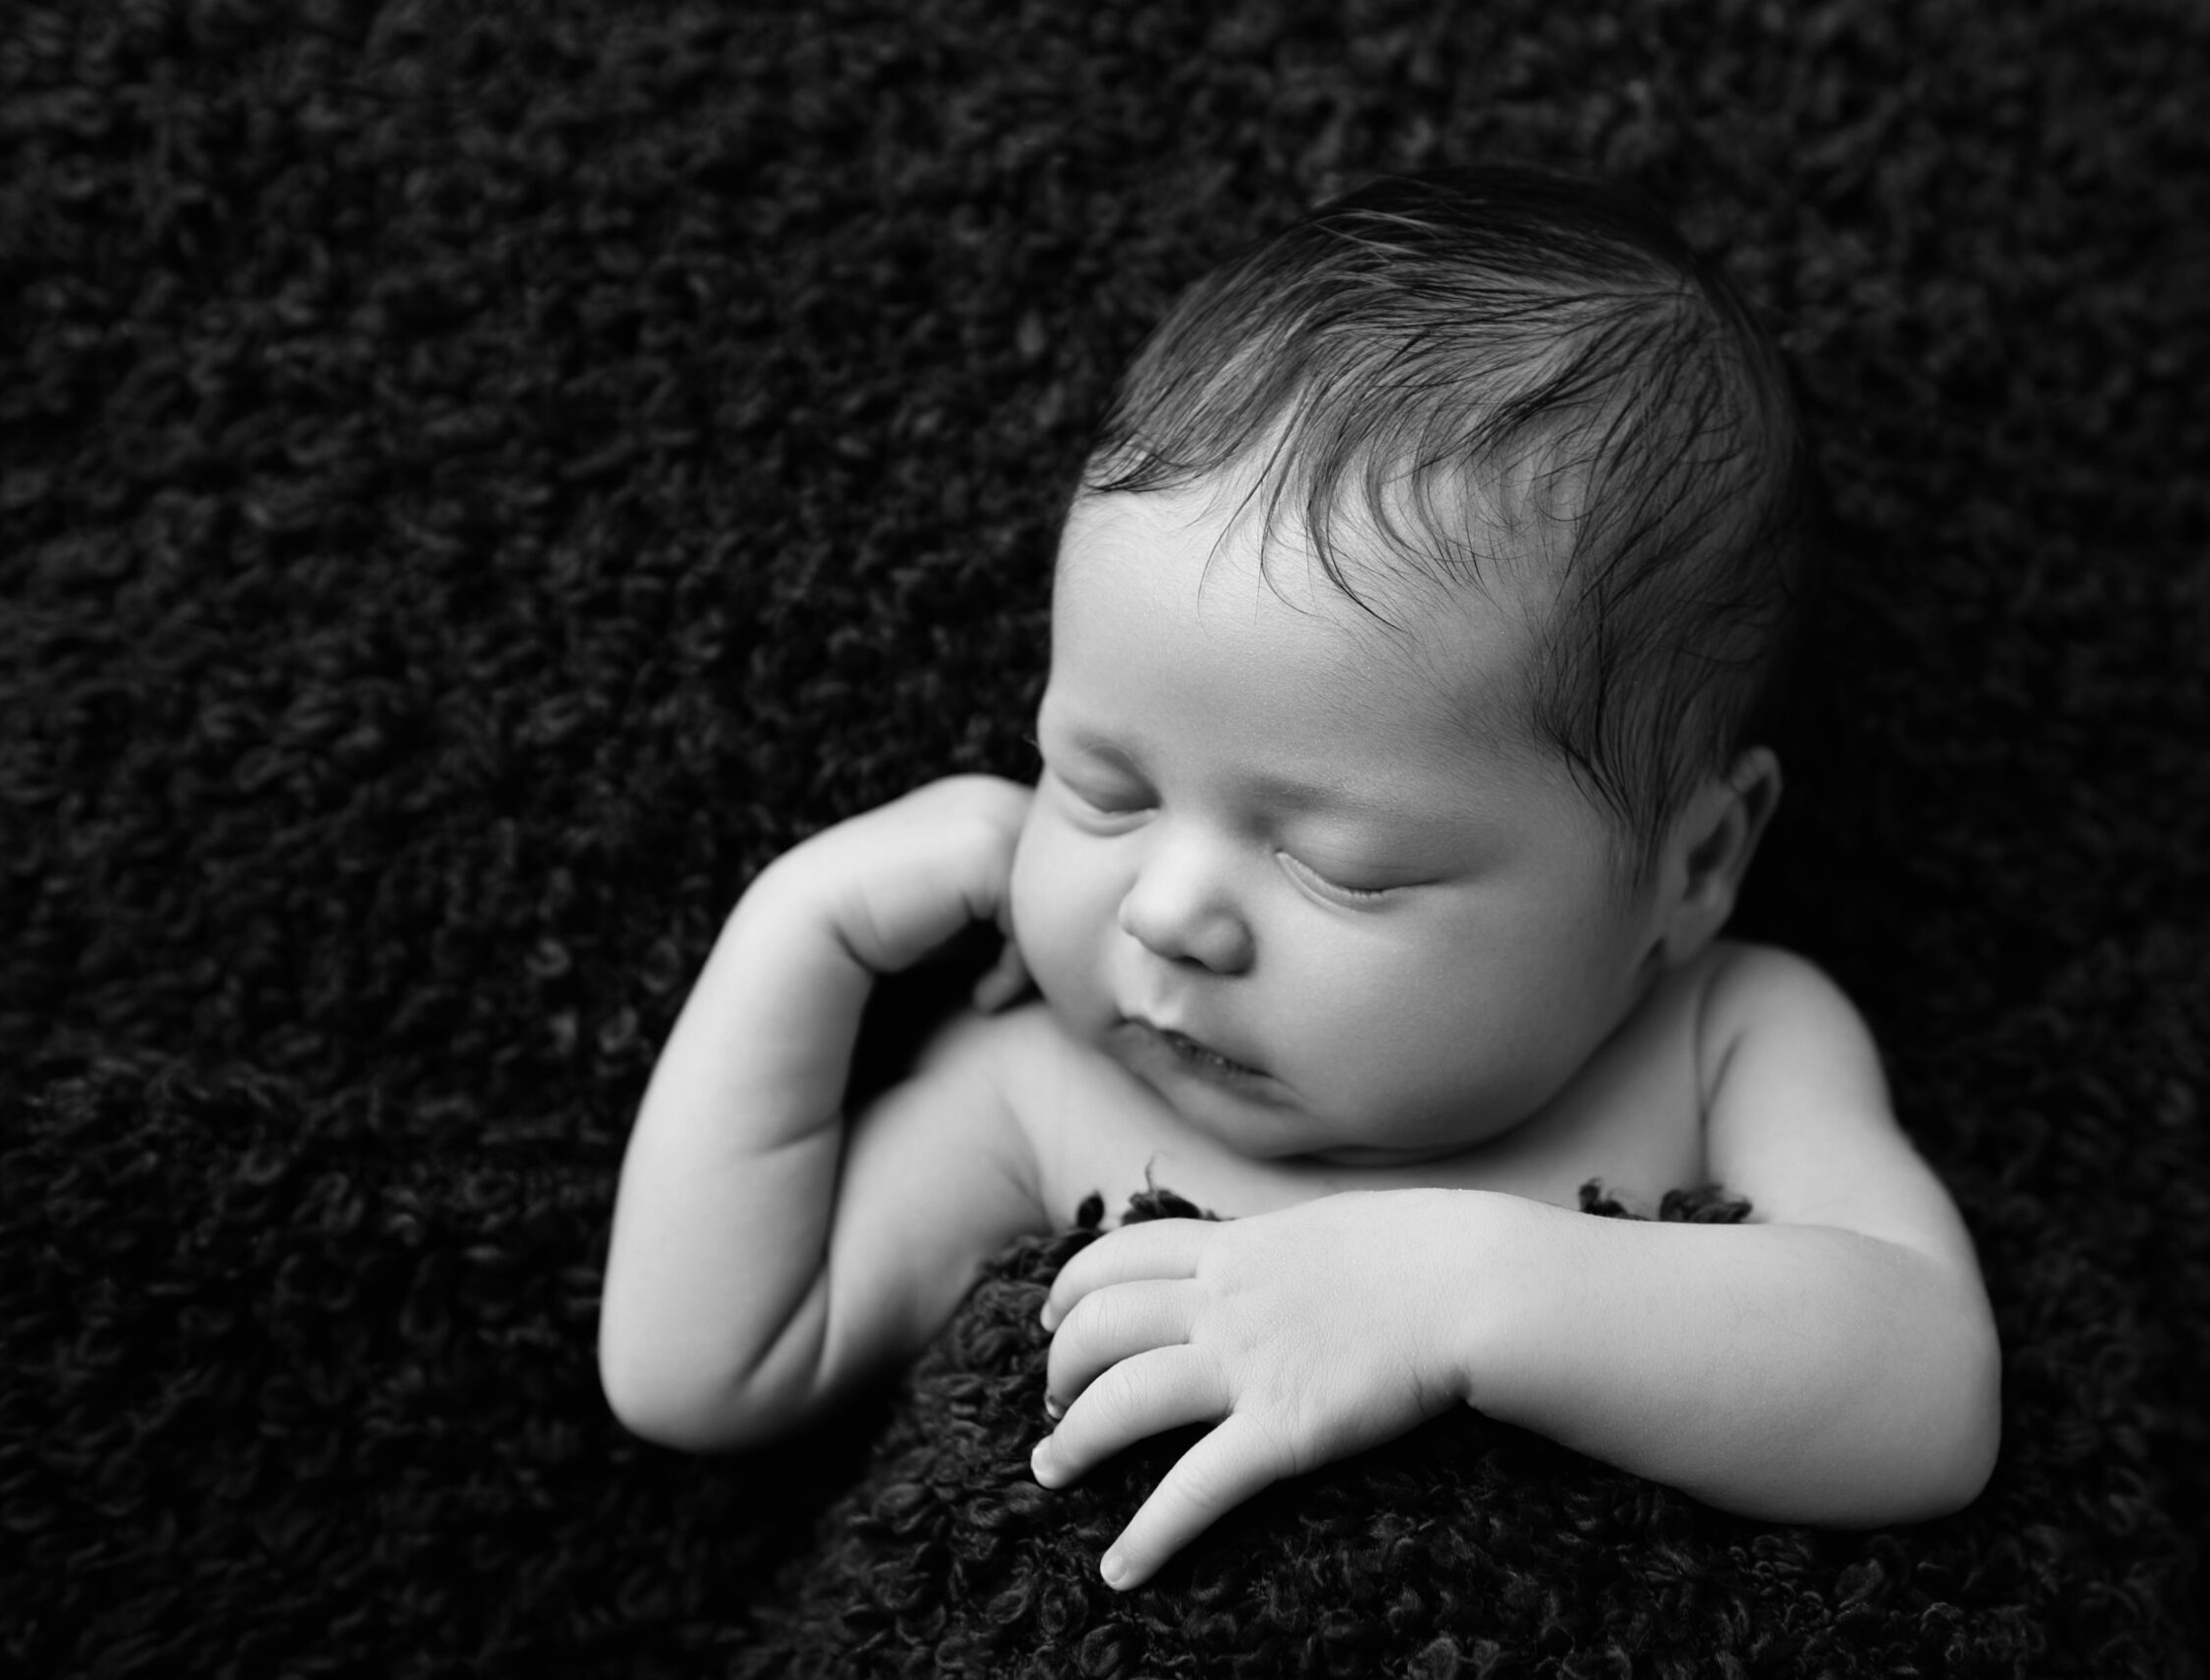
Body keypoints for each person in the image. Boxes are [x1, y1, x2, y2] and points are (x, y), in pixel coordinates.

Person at [597, 166, 2002, 1591]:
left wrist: (1467, 1296)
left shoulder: (1725, 1040)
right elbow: (705, 1370)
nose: (1165, 913)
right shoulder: (1043, 1095)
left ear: (1692, 866)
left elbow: (1931, 1397)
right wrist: (800, 933)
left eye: (1343, 868)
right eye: (1103, 790)